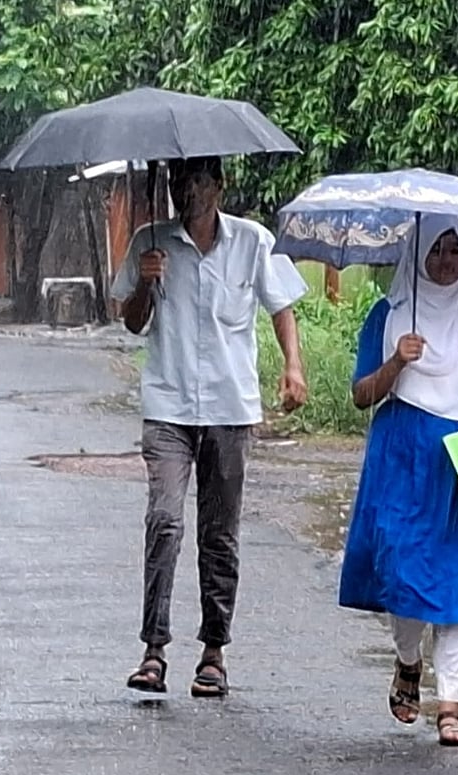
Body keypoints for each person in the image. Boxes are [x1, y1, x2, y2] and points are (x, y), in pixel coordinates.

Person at [112, 155, 308, 698]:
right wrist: (147, 285)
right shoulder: (151, 240)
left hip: (229, 406)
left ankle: (214, 651)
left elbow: (281, 307)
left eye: (198, 181)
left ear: (218, 187)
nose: (187, 192)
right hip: (169, 404)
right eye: (179, 181)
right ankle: (154, 648)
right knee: (165, 521)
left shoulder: (252, 242)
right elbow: (131, 322)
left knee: (219, 534)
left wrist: (293, 366)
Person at [338, 215, 458, 747]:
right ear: (417, 255)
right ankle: (407, 660)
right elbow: (361, 395)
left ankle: (453, 703)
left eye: (455, 251)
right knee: (402, 574)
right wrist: (397, 361)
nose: (446, 262)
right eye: (436, 250)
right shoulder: (390, 315)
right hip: (402, 456)